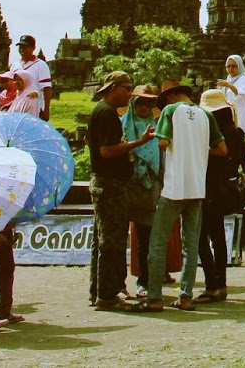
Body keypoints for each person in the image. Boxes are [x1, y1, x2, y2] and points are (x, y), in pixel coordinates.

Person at [137, 83, 225, 313]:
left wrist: (161, 137)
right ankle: (185, 296)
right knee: (191, 244)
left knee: (158, 242)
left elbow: (164, 143)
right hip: (197, 187)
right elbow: (222, 150)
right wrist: (196, 148)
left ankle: (155, 297)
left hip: (174, 187)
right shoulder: (206, 114)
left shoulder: (170, 111)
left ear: (171, 97)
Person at [86, 71, 154, 311]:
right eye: (127, 88)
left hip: (106, 182)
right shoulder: (106, 113)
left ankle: (99, 291)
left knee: (102, 240)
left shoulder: (103, 112)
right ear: (114, 88)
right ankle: (107, 294)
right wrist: (139, 143)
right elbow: (107, 150)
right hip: (110, 184)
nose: (130, 94)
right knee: (112, 242)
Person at [198, 87, 245, 302]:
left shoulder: (214, 133)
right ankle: (221, 283)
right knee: (218, 237)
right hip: (227, 188)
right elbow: (244, 163)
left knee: (200, 236)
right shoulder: (236, 131)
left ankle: (212, 283)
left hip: (210, 186)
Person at [123, 84, 163, 296]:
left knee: (146, 239)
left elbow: (161, 156)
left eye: (149, 103)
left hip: (150, 186)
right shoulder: (123, 125)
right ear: (133, 103)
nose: (145, 107)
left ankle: (144, 281)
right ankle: (119, 284)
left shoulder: (157, 127)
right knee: (119, 239)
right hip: (128, 185)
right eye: (141, 102)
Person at [11, 35, 53, 120]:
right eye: (20, 47)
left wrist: (46, 110)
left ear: (33, 48)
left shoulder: (41, 65)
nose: (22, 49)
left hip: (35, 107)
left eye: (26, 47)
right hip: (18, 106)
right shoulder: (15, 65)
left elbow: (47, 89)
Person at [219, 55, 245, 133]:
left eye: (234, 66)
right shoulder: (229, 79)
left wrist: (229, 85)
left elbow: (240, 92)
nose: (231, 69)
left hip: (240, 114)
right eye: (228, 66)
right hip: (229, 115)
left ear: (239, 66)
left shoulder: (244, 79)